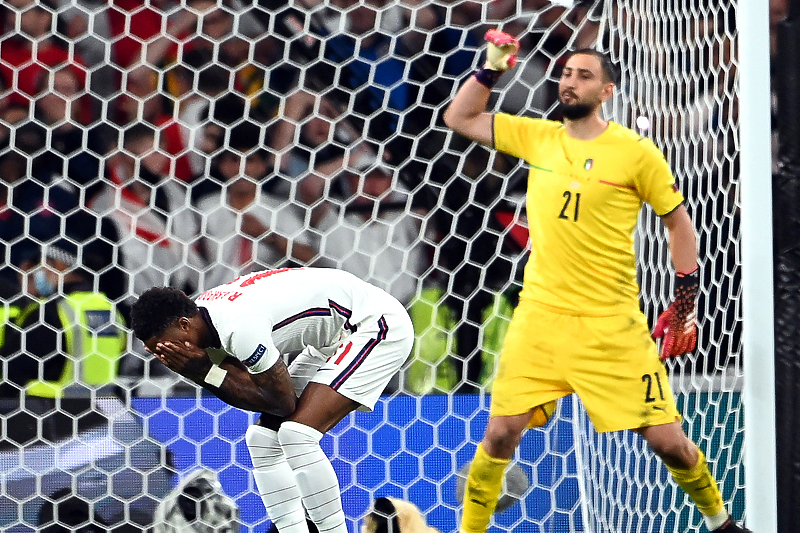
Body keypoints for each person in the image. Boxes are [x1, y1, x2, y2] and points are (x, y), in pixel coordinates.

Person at [442, 31, 751, 533]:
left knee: (668, 441)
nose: (570, 82)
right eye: (565, 74)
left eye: (584, 76)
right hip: (540, 319)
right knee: (500, 432)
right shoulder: (538, 136)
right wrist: (493, 67)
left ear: (607, 91)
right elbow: (459, 118)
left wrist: (685, 304)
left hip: (611, 325)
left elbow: (680, 226)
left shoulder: (635, 152)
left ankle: (722, 525)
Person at [129, 267, 414, 533]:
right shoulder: (203, 323)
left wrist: (204, 371)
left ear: (183, 325)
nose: (167, 357)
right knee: (262, 440)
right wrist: (204, 373)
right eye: (159, 354)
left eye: (166, 347)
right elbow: (242, 386)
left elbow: (281, 403)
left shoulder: (240, 328)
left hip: (375, 325)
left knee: (297, 434)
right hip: (335, 335)